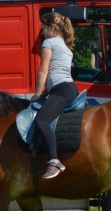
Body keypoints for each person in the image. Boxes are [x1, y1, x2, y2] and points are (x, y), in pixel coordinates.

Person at [31, 12, 79, 180]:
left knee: (42, 121)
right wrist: (45, 93)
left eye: (44, 28)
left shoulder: (49, 42)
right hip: (69, 87)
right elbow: (58, 72)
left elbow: (44, 70)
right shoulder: (65, 45)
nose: (42, 32)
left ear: (51, 28)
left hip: (61, 89)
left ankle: (54, 161)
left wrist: (37, 94)